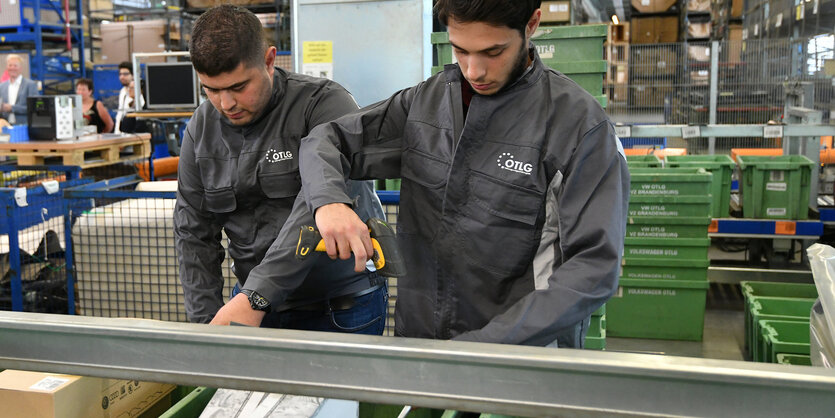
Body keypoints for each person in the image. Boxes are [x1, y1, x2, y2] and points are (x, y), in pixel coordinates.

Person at [229, 0, 630, 347]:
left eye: (493, 52)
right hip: (420, 345)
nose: (474, 70)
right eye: (460, 49)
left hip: (520, 359)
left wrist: (484, 347)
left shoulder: (578, 129)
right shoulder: (426, 105)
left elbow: (592, 270)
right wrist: (329, 202)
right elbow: (325, 140)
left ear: (532, 25)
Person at [174, 5, 388, 334]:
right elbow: (194, 233)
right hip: (251, 307)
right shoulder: (201, 130)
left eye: (238, 87)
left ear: (270, 60)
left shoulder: (324, 106)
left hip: (340, 306)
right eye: (212, 90)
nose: (226, 104)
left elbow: (313, 211)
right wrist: (206, 327)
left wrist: (257, 296)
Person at [0, 54, 40, 125]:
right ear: (7, 67)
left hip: (24, 127)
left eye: (15, 65)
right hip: (5, 127)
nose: (12, 68)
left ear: (21, 68)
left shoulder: (30, 85)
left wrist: (12, 108)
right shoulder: (2, 86)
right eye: (10, 65)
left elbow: (35, 107)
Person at [114, 61, 145, 134]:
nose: (122, 77)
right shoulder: (123, 91)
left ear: (134, 75)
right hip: (124, 131)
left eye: (125, 74)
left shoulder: (142, 88)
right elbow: (120, 114)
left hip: (139, 131)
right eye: (120, 74)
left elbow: (142, 108)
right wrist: (117, 132)